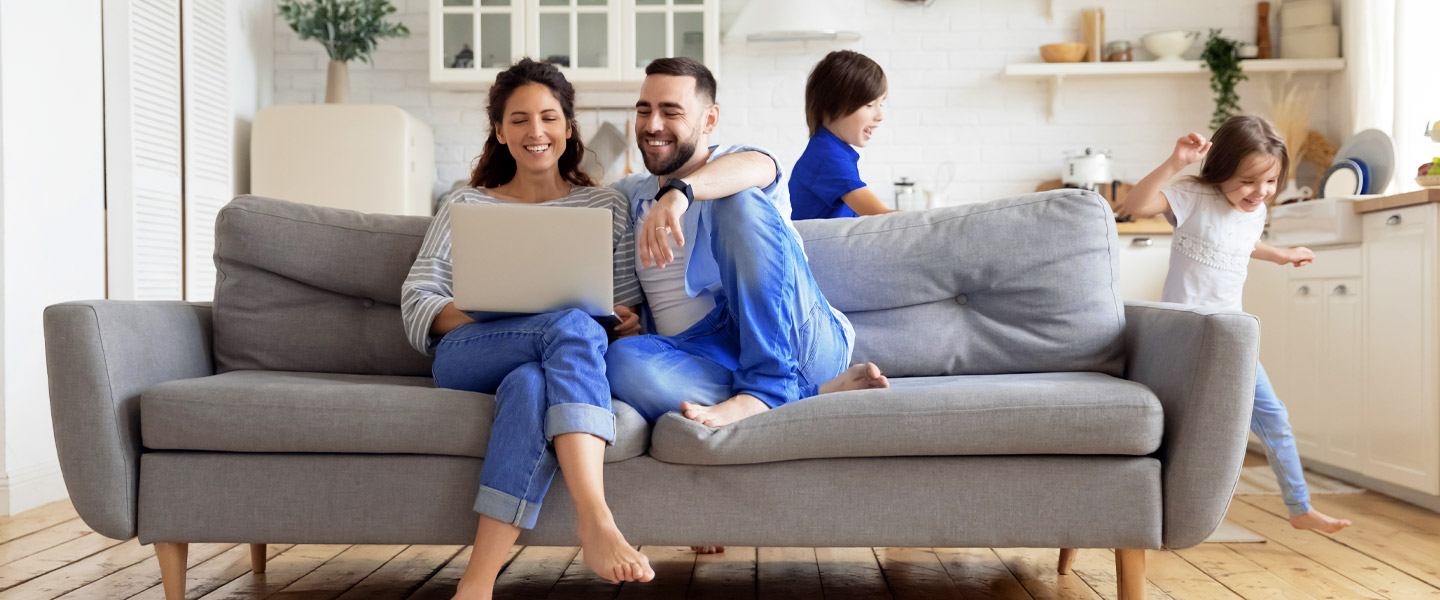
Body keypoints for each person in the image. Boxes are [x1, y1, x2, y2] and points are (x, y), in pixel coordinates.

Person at [399, 58, 654, 599]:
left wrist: (623, 321)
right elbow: (418, 300)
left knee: (533, 384)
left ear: (567, 127)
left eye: (548, 118)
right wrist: (497, 307)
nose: (535, 132)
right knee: (567, 324)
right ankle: (596, 519)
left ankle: (477, 583)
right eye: (518, 120)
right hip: (471, 353)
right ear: (500, 131)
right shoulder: (466, 205)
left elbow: (626, 311)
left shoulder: (606, 206)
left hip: (557, 361)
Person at [604, 57, 890, 432]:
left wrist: (680, 192)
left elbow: (758, 168)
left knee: (736, 197)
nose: (653, 124)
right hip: (707, 353)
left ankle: (767, 385)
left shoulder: (738, 162)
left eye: (670, 112)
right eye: (645, 111)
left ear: (709, 120)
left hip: (797, 338)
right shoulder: (628, 195)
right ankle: (804, 394)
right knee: (618, 361)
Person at [1120, 115, 1352, 534]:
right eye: (1248, 181)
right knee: (1176, 428)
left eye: (1270, 182)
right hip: (1184, 337)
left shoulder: (1254, 210)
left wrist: (1279, 253)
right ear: (1222, 169)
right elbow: (1135, 207)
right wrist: (1176, 162)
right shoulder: (1192, 196)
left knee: (1274, 419)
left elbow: (1239, 243)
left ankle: (1299, 507)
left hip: (1232, 337)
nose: (1259, 193)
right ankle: (1151, 509)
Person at [789, 50, 895, 220]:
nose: (880, 116)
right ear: (831, 105)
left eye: (880, 104)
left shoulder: (831, 151)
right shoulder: (828, 157)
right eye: (869, 104)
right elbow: (882, 218)